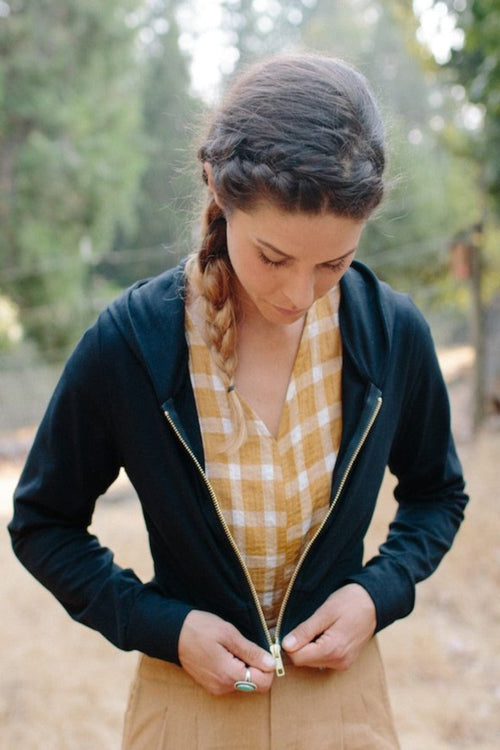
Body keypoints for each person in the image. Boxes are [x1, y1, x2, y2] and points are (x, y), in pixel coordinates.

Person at [9, 53, 468, 749]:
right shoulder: (131, 345)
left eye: (333, 265)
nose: (296, 295)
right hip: (185, 705)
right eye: (274, 257)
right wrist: (167, 626)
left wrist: (376, 596)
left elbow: (438, 494)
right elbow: (43, 523)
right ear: (217, 193)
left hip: (342, 709)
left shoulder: (391, 334)